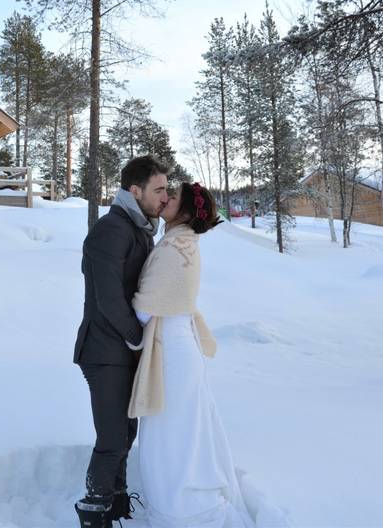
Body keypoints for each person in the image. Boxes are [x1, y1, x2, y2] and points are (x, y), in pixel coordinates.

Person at [129, 182, 254, 528]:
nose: (164, 199)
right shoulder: (181, 240)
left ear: (184, 212)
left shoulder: (176, 245)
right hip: (178, 344)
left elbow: (148, 303)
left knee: (173, 432)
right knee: (178, 428)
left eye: (172, 197)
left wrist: (125, 329)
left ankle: (184, 508)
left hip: (172, 348)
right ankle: (176, 500)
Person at [74, 155, 170, 528]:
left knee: (125, 433)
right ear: (136, 190)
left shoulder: (138, 230)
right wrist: (137, 337)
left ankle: (116, 503)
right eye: (159, 189)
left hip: (121, 352)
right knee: (112, 437)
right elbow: (108, 297)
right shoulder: (111, 229)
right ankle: (93, 510)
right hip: (103, 351)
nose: (164, 197)